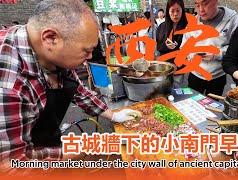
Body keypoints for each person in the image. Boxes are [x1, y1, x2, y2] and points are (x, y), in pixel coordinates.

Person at [0, 0, 141, 169]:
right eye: (86, 50)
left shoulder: (48, 48)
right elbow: (13, 166)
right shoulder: (10, 84)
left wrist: (113, 115)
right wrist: (82, 148)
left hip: (46, 140)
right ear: (50, 38)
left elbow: (76, 88)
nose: (89, 57)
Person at [181, 0, 238, 95]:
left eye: (205, 4)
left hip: (217, 76)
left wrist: (217, 54)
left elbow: (236, 48)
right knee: (193, 103)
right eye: (197, 5)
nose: (201, 10)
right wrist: (192, 54)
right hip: (195, 74)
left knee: (212, 106)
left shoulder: (231, 19)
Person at [156, 0, 188, 88]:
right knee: (164, 92)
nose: (175, 14)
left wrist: (177, 47)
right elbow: (158, 47)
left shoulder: (187, 26)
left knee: (177, 91)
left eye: (178, 10)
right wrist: (166, 46)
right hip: (164, 68)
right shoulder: (161, 27)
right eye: (172, 11)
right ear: (168, 11)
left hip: (179, 68)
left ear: (182, 10)